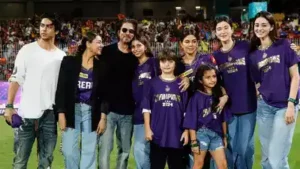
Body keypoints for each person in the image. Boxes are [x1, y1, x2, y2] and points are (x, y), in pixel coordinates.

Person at [3, 14, 66, 169]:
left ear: (56, 31)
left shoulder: (61, 56)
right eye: (42, 25)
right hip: (26, 115)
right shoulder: (27, 50)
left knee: (46, 163)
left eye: (49, 26)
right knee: (19, 162)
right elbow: (16, 79)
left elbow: (62, 88)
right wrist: (9, 106)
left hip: (50, 115)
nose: (44, 29)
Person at [249, 11, 299, 169]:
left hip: (285, 106)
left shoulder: (284, 45)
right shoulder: (253, 55)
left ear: (271, 26)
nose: (260, 28)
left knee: (277, 156)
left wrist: (291, 104)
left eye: (264, 25)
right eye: (257, 25)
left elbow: (296, 77)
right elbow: (257, 82)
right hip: (264, 107)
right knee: (266, 157)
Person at [131, 35, 189, 169]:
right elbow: (146, 109)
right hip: (157, 134)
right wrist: (147, 129)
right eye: (163, 61)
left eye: (170, 61)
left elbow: (186, 111)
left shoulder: (182, 84)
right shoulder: (152, 84)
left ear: (175, 63)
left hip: (177, 135)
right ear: (159, 64)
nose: (167, 64)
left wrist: (186, 131)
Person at [176, 25, 228, 169]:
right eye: (187, 41)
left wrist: (224, 96)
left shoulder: (206, 59)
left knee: (209, 159)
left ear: (198, 42)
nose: (191, 44)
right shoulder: (177, 64)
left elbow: (218, 82)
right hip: (183, 112)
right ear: (181, 43)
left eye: (194, 41)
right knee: (187, 156)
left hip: (206, 111)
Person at [55, 31, 108, 169]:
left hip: (92, 111)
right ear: (88, 44)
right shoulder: (69, 62)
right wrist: (60, 113)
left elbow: (104, 95)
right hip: (72, 111)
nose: (101, 45)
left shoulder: (102, 67)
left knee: (89, 151)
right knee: (68, 151)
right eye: (98, 42)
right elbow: (61, 90)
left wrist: (103, 117)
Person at [213, 16, 257, 169]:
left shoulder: (245, 46)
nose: (223, 31)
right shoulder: (216, 56)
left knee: (245, 149)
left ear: (232, 29)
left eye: (226, 28)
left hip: (248, 105)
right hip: (229, 108)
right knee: (230, 146)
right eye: (219, 29)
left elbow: (266, 49)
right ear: (215, 33)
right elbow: (216, 81)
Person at [97, 18, 138, 169]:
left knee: (125, 150)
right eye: (124, 30)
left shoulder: (137, 55)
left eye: (131, 31)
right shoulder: (106, 51)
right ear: (119, 32)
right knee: (105, 150)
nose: (127, 33)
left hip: (128, 111)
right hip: (107, 111)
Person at [183, 64, 230, 169]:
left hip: (216, 135)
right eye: (208, 77)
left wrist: (224, 136)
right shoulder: (196, 97)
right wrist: (194, 141)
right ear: (200, 80)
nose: (212, 80)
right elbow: (191, 121)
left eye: (214, 76)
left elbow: (223, 119)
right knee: (198, 164)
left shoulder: (218, 96)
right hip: (201, 134)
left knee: (223, 165)